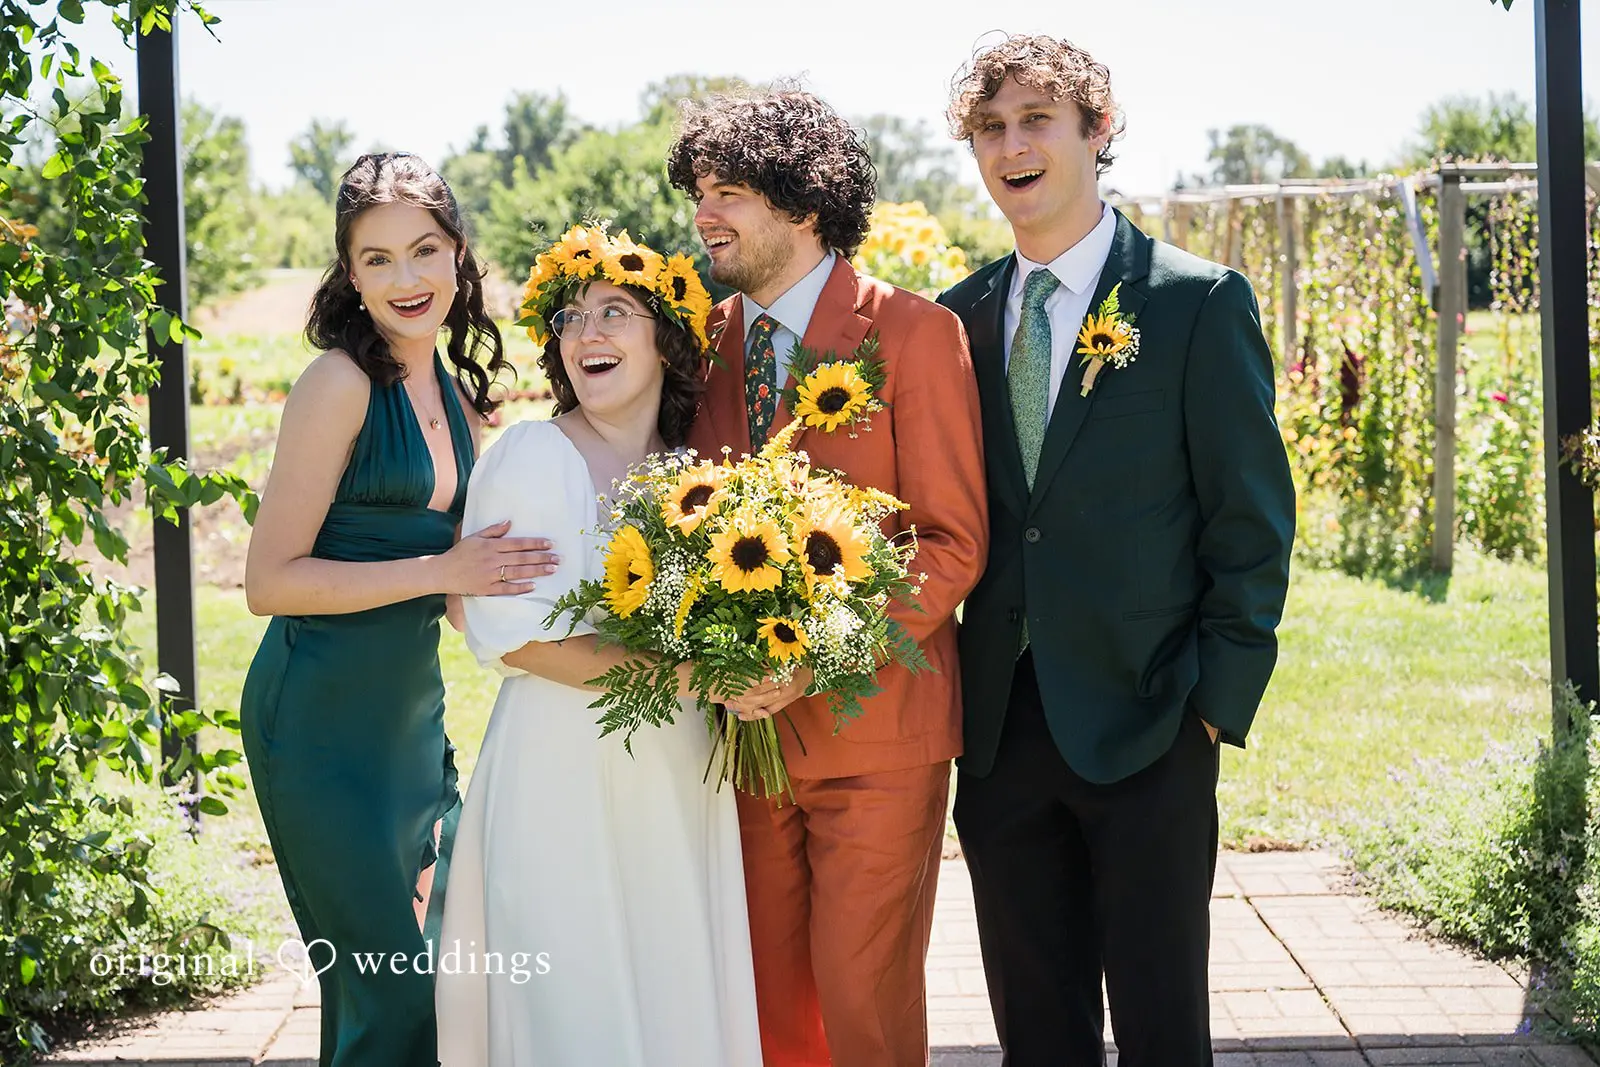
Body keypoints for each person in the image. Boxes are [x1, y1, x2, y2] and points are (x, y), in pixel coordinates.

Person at [936, 35, 1297, 1067]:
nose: (1011, 146)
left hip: (1153, 721)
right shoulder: (956, 319)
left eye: (1036, 120)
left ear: (1098, 133)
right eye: (990, 128)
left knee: (1160, 1028)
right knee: (1035, 1033)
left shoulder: (1194, 302)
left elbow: (1250, 523)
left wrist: (1214, 704)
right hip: (1001, 728)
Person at [666, 89, 989, 1067]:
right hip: (742, 742)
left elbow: (950, 540)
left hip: (877, 736)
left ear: (804, 205)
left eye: (727, 193)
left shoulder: (915, 334)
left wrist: (813, 656)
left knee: (863, 1002)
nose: (702, 215)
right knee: (766, 1000)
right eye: (697, 193)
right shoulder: (697, 345)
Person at [239, 152, 555, 1067]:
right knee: (389, 995)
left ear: (459, 254)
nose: (406, 279)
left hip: (410, 726)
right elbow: (271, 581)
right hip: (318, 723)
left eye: (424, 250)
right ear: (349, 274)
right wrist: (441, 565)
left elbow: (461, 597)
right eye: (376, 259)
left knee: (434, 981)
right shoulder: (336, 386)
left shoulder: (455, 398)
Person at [434, 225, 762, 1067]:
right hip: (560, 772)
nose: (588, 335)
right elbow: (520, 640)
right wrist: (690, 673)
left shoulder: (698, 476)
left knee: (670, 978)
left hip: (678, 767)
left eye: (615, 312)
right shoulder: (532, 455)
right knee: (571, 996)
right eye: (572, 319)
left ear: (667, 339)